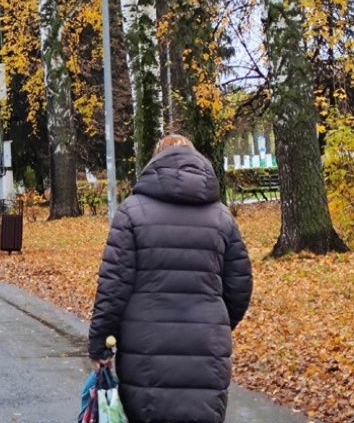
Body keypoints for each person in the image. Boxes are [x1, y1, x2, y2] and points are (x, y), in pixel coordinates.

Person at [88, 134, 253, 423]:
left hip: (145, 348)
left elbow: (113, 287)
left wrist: (101, 344)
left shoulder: (132, 212)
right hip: (207, 346)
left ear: (155, 161)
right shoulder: (222, 217)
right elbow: (240, 286)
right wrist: (217, 323)